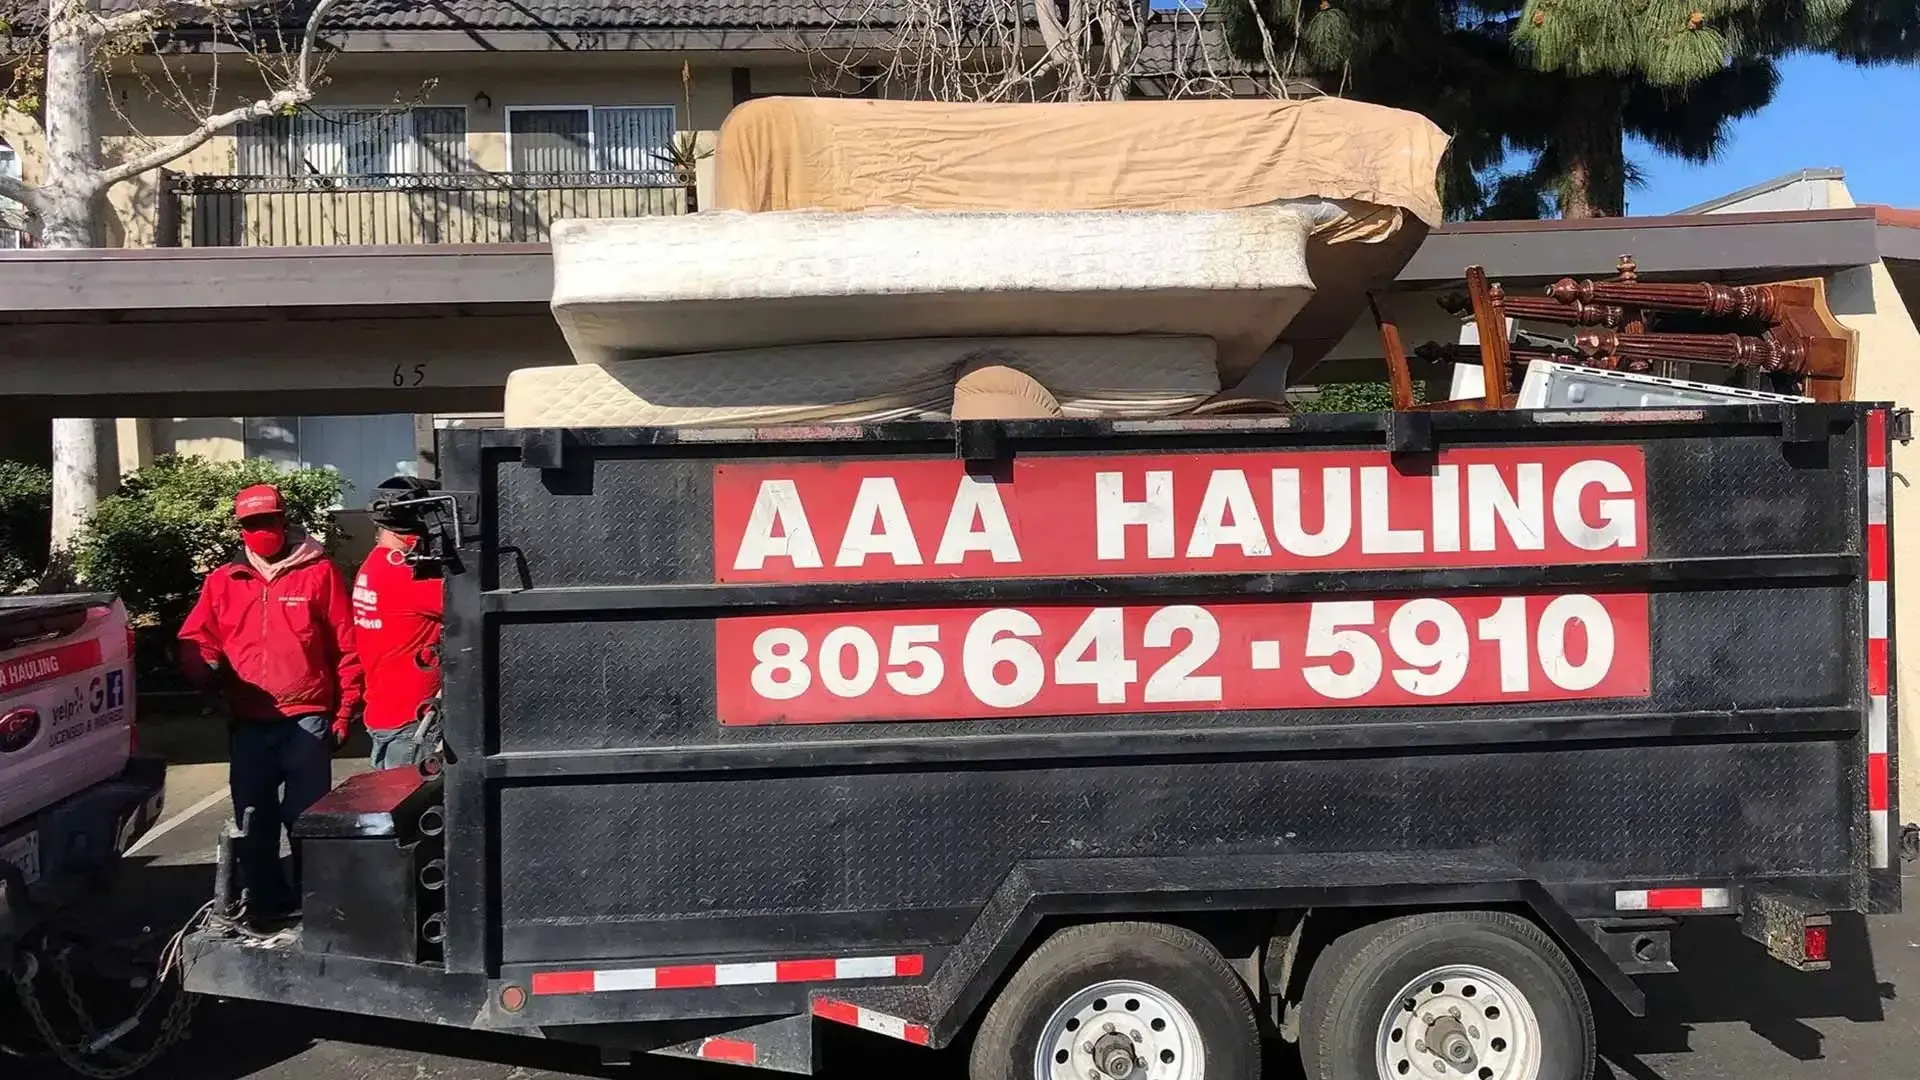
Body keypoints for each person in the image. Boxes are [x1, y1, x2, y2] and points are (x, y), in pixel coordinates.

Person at [178, 483, 362, 925]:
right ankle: (264, 903)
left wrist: (344, 711)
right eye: (251, 524)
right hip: (249, 723)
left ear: (283, 521)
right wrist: (203, 669)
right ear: (240, 529)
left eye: (268, 521)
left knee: (307, 821)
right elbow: (196, 637)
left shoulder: (319, 573)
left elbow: (347, 646)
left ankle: (315, 905)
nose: (261, 530)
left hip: (308, 719)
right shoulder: (223, 581)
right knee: (253, 822)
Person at [351, 476, 445, 771]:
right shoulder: (403, 574)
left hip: (386, 710)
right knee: (413, 806)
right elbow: (468, 605)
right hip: (413, 719)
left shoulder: (375, 565)